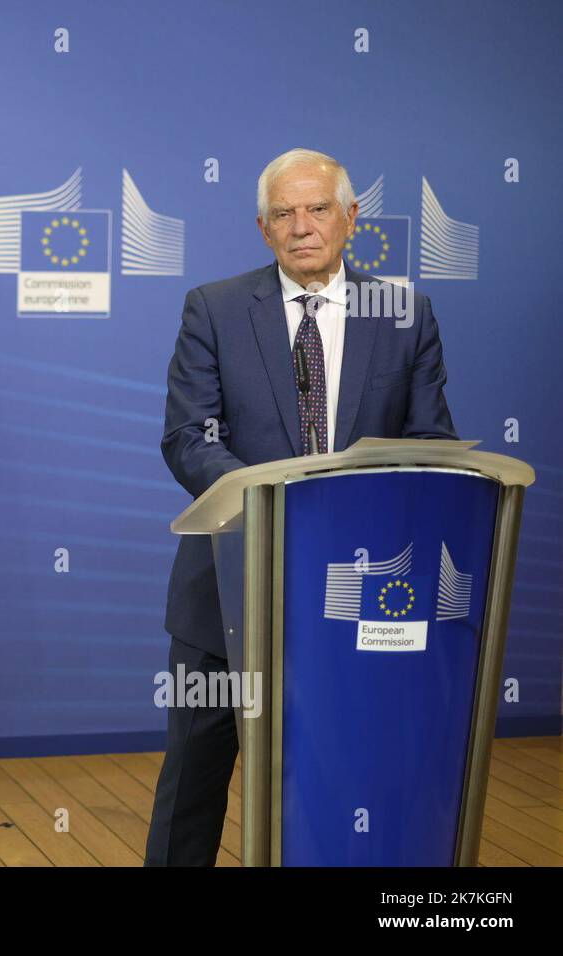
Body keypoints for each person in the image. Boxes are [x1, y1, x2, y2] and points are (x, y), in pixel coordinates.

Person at [146, 148, 458, 865]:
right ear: (263, 229)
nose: (302, 226)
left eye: (318, 209)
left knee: (348, 777)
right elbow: (188, 438)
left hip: (362, 592)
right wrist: (276, 511)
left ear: (350, 219)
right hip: (227, 587)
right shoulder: (215, 309)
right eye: (283, 213)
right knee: (192, 780)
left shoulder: (406, 314)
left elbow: (430, 446)